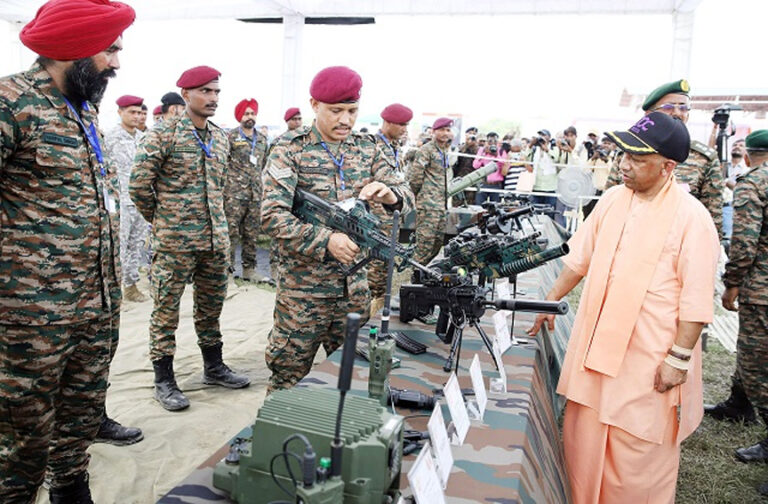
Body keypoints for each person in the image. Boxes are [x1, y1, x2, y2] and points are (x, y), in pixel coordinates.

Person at [528, 112, 719, 503]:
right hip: (596, 351)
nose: (624, 165)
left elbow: (696, 302)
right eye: (622, 156)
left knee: (636, 458)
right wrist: (550, 300)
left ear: (668, 167)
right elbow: (579, 258)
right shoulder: (613, 199)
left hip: (647, 362)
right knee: (582, 442)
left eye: (637, 159)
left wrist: (678, 359)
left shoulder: (692, 219)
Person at [0, 0, 135, 501]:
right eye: (110, 50)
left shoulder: (83, 104)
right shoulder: (10, 103)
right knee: (21, 440)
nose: (117, 63)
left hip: (95, 304)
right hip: (30, 317)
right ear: (74, 48)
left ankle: (71, 488)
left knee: (80, 413)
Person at [260, 66, 413, 392]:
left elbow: (407, 199)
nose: (345, 120)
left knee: (353, 381)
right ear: (314, 105)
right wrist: (325, 240)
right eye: (336, 111)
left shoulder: (369, 148)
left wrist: (390, 195)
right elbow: (272, 216)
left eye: (352, 111)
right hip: (302, 294)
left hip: (353, 292)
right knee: (288, 379)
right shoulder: (290, 149)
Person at [130, 66, 250, 412]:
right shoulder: (162, 135)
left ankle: (214, 367)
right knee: (166, 312)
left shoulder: (221, 137)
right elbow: (139, 186)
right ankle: (164, 379)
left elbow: (221, 185)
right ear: (185, 94)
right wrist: (164, 219)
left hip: (214, 242)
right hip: (174, 243)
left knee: (210, 309)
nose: (212, 98)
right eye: (205, 91)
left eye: (216, 92)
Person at [605, 79, 724, 238]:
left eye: (683, 108)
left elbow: (712, 219)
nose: (677, 113)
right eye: (668, 107)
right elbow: (610, 203)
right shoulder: (628, 152)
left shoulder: (704, 159)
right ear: (649, 115)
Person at [717, 130, 768, 463]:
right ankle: (739, 405)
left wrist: (732, 282)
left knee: (758, 369)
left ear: (748, 156)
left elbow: (745, 242)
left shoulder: (753, 183)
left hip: (761, 292)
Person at [368, 103, 412, 315]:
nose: (405, 129)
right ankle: (367, 316)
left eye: (407, 125)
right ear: (387, 122)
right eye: (401, 124)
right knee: (373, 270)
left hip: (390, 220)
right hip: (374, 220)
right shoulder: (372, 147)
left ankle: (376, 307)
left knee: (385, 268)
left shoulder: (394, 148)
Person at [105, 95, 149, 303]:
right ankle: (113, 290)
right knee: (119, 247)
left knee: (136, 245)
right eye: (132, 112)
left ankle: (131, 286)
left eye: (140, 112)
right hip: (119, 201)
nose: (137, 116)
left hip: (138, 201)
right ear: (120, 112)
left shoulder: (142, 139)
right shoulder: (110, 137)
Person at [225, 98, 271, 283]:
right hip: (233, 195)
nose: (250, 117)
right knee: (231, 233)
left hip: (255, 194)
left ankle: (249, 270)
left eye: (252, 113)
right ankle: (227, 272)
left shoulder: (261, 139)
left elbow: (264, 164)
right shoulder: (230, 137)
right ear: (239, 117)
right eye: (246, 114)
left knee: (251, 234)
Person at [409, 117, 454, 265]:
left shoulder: (444, 150)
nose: (445, 133)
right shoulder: (426, 150)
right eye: (441, 130)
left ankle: (424, 272)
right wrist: (416, 196)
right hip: (428, 205)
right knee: (424, 245)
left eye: (448, 130)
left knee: (437, 243)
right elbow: (415, 176)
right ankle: (415, 277)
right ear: (433, 132)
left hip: (440, 205)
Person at [473, 131, 509, 204]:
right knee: (479, 207)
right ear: (487, 141)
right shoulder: (482, 150)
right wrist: (484, 154)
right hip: (483, 183)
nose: (492, 143)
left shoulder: (501, 151)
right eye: (490, 141)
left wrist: (496, 155)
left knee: (495, 208)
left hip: (496, 184)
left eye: (495, 141)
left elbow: (505, 163)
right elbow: (475, 165)